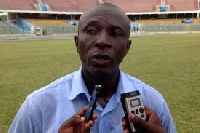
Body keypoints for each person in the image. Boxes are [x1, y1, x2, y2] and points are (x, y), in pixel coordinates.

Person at [9, 3, 176, 133]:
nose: (102, 41)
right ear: (76, 43)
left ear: (127, 47)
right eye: (91, 30)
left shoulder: (154, 103)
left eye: (115, 33)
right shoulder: (37, 106)